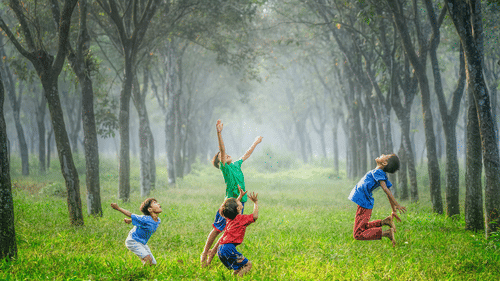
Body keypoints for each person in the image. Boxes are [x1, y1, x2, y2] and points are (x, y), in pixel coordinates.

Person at [200, 119, 263, 267]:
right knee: (217, 229)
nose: (227, 155)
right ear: (220, 162)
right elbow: (222, 150)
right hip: (230, 204)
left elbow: (246, 154)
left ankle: (212, 254)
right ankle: (205, 253)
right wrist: (219, 133)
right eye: (223, 156)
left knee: (230, 229)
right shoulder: (226, 169)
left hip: (240, 202)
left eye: (226, 154)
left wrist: (255, 142)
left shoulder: (235, 165)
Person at [348, 153, 406, 247]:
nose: (382, 154)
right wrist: (393, 210)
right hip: (364, 202)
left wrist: (397, 204)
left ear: (384, 163)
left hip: (364, 203)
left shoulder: (378, 173)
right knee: (363, 227)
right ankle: (385, 222)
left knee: (358, 234)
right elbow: (388, 191)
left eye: (385, 155)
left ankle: (386, 233)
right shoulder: (379, 173)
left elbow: (386, 190)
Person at [217, 187, 259, 277]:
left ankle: (234, 278)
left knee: (238, 268)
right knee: (248, 265)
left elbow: (232, 207)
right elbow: (255, 216)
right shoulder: (241, 219)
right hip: (228, 249)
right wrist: (255, 203)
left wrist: (240, 196)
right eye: (238, 202)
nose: (239, 201)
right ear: (238, 208)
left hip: (220, 249)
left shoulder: (229, 218)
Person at [111, 198, 162, 265]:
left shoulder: (158, 220)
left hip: (142, 243)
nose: (158, 204)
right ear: (150, 209)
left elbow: (142, 222)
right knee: (148, 260)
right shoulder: (145, 219)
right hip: (133, 241)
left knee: (153, 263)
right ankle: (142, 274)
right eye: (155, 203)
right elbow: (130, 214)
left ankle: (147, 273)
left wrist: (130, 220)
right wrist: (118, 208)